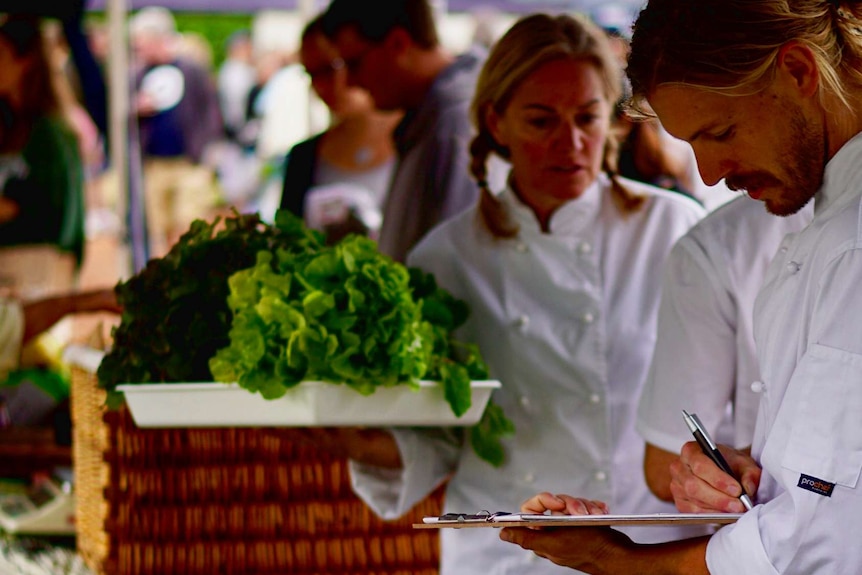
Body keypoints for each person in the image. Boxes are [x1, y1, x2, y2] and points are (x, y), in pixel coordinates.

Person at [298, 12, 705, 574]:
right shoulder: (446, 258)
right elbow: (440, 436)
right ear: (497, 121)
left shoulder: (674, 230)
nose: (571, 143)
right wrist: (351, 438)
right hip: (506, 549)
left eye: (587, 118)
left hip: (647, 541)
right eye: (542, 121)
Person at [500, 1, 862, 573]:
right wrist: (752, 467)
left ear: (798, 71)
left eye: (720, 132)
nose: (711, 174)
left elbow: (803, 548)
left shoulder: (852, 242)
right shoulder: (827, 224)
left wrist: (610, 558)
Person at [636, 195, 811, 501]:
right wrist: (718, 480)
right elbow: (664, 467)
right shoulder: (719, 247)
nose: (709, 175)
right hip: (773, 532)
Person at [320, 0, 494, 263]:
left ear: (398, 43)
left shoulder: (457, 124)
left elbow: (457, 269)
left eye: (354, 64)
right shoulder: (433, 115)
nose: (350, 83)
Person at [279, 13, 401, 244]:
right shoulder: (303, 157)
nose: (322, 87)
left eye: (331, 68)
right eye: (312, 74)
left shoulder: (416, 144)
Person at [129, 6, 224, 259]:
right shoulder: (137, 75)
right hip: (153, 164)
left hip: (187, 163)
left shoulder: (192, 70)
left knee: (187, 225)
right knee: (158, 228)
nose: (138, 48)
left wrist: (205, 152)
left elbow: (211, 111)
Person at [0, 13, 85, 268]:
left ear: (24, 61)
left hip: (37, 262)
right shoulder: (10, 124)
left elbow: (49, 214)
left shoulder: (49, 133)